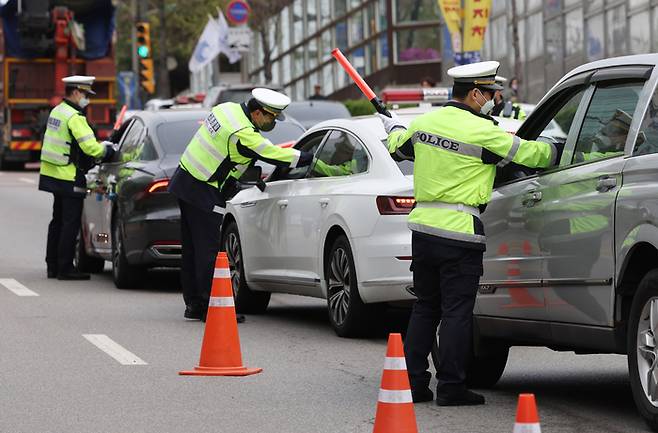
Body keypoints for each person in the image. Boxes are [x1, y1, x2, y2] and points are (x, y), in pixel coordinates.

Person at [377, 61, 558, 406]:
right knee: (457, 312)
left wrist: (393, 126)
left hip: (424, 231)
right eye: (492, 93)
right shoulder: (484, 131)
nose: (496, 99)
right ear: (476, 93)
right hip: (460, 231)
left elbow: (398, 146)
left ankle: (414, 384)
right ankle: (451, 386)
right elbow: (535, 156)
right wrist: (557, 146)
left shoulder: (424, 123)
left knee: (426, 307)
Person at [169, 88, 313, 322]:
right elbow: (272, 153)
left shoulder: (227, 110)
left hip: (185, 179)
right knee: (208, 251)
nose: (273, 122)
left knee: (193, 249)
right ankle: (210, 307)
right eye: (271, 117)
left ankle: (194, 304)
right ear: (257, 113)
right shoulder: (243, 132)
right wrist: (307, 157)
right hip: (204, 189)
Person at [39, 75, 115, 281]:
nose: (87, 99)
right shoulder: (75, 117)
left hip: (52, 173)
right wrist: (107, 151)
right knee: (70, 222)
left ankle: (52, 265)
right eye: (85, 94)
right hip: (69, 174)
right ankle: (65, 268)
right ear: (75, 92)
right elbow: (90, 147)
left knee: (57, 220)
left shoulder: (58, 111)